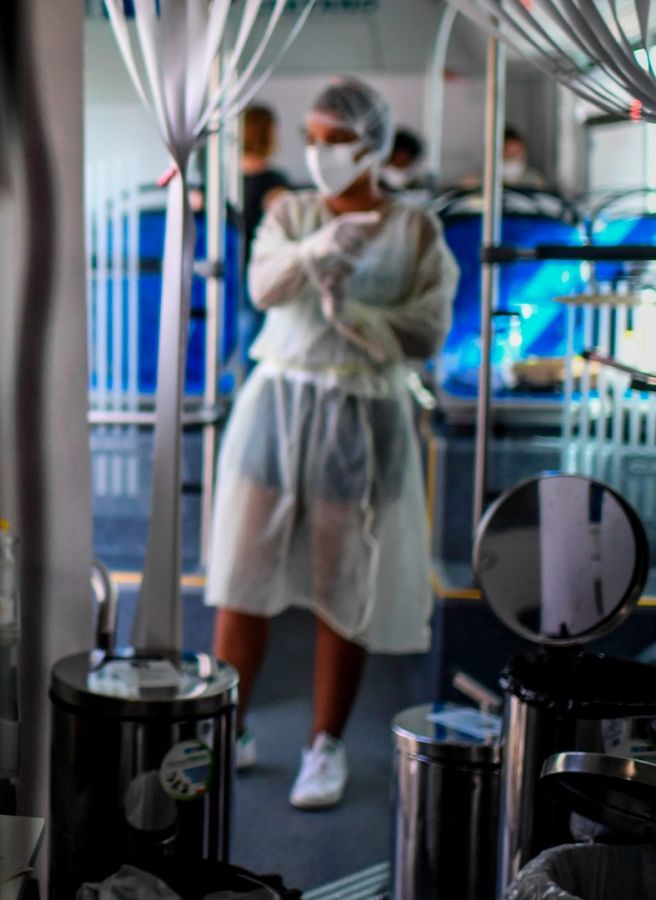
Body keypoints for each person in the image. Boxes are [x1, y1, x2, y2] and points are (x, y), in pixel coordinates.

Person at [205, 78, 458, 810]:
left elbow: (428, 328)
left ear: (372, 145)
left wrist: (359, 318)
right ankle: (232, 726)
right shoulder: (291, 210)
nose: (320, 154)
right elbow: (262, 287)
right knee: (242, 577)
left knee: (342, 583)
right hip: (277, 403)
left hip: (361, 414)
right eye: (311, 139)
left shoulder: (416, 232)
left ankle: (326, 744)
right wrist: (317, 249)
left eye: (335, 140)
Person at [239, 103, 293, 372]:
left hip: (224, 274)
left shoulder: (215, 181)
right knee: (253, 345)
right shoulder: (274, 183)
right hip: (256, 274)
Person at [380, 128, 427, 193]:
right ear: (402, 154)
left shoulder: (382, 170)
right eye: (409, 159)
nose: (409, 164)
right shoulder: (373, 167)